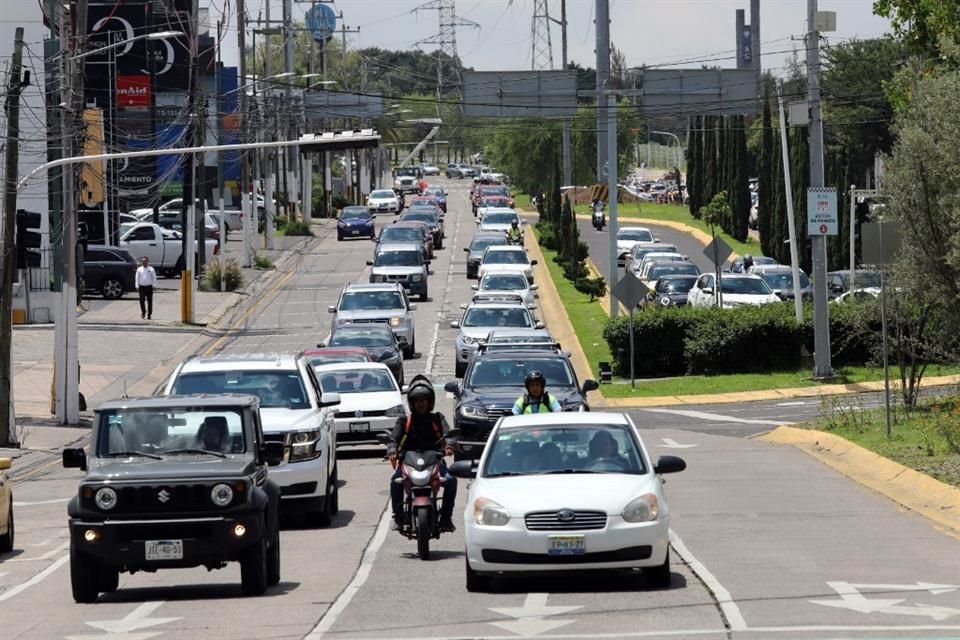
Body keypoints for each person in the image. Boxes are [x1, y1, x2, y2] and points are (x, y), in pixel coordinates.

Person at [385, 374, 457, 532]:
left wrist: (449, 446)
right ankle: (398, 518)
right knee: (394, 481)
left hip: (434, 462)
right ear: (411, 403)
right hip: (408, 462)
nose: (421, 404)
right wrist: (391, 449)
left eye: (424, 400)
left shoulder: (438, 419)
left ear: (430, 401)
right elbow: (393, 438)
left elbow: (449, 434)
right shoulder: (404, 421)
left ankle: (446, 518)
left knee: (451, 481)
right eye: (417, 400)